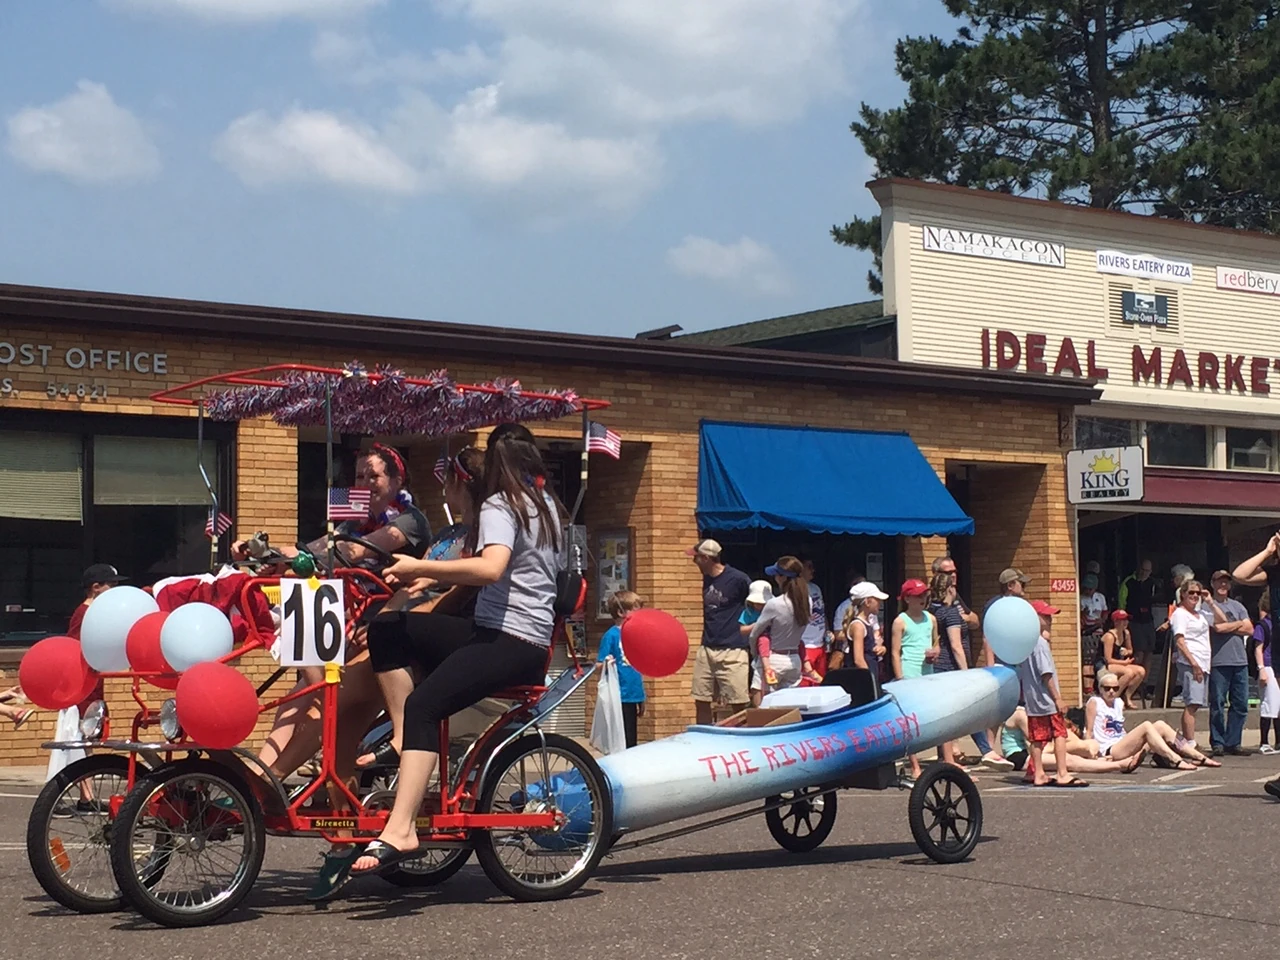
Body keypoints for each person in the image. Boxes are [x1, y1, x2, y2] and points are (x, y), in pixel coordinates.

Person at [351, 422, 569, 877]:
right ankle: (399, 736)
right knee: (389, 629)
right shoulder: (545, 504)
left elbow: (491, 569)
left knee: (424, 706)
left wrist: (419, 566)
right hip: (498, 633)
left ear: (495, 462)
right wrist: (435, 576)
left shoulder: (501, 504)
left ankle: (402, 828)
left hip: (513, 641)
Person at [232, 442, 430, 573]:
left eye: (374, 476)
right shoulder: (358, 520)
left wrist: (298, 559)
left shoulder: (411, 520)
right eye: (360, 477)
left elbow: (353, 551)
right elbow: (318, 546)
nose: (365, 484)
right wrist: (263, 553)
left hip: (395, 604)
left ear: (397, 481)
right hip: (354, 599)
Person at [1018, 600, 1086, 787]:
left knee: (1037, 738)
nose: (1050, 619)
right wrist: (1058, 698)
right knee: (1060, 734)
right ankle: (1062, 773)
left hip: (1033, 700)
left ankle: (1038, 773)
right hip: (1047, 700)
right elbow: (1046, 673)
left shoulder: (1025, 643)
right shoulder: (1040, 643)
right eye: (1045, 616)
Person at [1086, 671, 1209, 770]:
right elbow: (1089, 731)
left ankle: (1197, 755)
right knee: (1146, 726)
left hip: (1122, 743)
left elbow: (1118, 728)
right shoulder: (1095, 702)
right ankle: (1175, 759)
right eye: (1107, 688)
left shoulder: (1119, 703)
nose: (1111, 691)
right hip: (1110, 749)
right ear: (1100, 689)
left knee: (1160, 725)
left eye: (1115, 688)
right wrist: (1092, 756)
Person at [687, 539, 751, 725]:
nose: (694, 562)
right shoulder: (707, 578)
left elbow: (757, 603)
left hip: (733, 649)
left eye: (696, 558)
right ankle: (703, 739)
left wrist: (752, 629)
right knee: (701, 698)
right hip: (707, 648)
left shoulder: (738, 579)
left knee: (737, 701)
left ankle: (741, 739)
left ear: (706, 558)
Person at [1170, 579, 1231, 753]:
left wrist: (1210, 602)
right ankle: (1189, 742)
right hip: (1192, 662)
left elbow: (1222, 620)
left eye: (1198, 593)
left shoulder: (1200, 613)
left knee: (1197, 703)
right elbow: (1180, 641)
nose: (1195, 596)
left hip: (1204, 663)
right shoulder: (1180, 614)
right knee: (1193, 702)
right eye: (1191, 593)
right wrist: (1194, 664)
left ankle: (1188, 741)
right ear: (1182, 594)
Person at [891, 578, 940, 783]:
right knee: (910, 719)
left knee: (934, 714)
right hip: (909, 669)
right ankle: (914, 763)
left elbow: (936, 641)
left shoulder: (931, 618)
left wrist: (936, 651)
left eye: (924, 595)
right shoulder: (900, 621)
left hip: (928, 670)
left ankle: (943, 759)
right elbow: (895, 652)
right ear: (907, 598)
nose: (922, 599)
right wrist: (900, 677)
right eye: (918, 595)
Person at [1205, 569, 1254, 757]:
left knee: (1240, 703)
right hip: (1219, 661)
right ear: (1213, 584)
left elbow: (1249, 629)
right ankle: (1218, 742)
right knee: (1217, 703)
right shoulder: (1207, 606)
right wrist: (1237, 625)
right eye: (1219, 582)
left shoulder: (1238, 606)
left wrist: (1229, 627)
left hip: (1240, 661)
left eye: (1226, 582)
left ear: (1230, 585)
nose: (1222, 585)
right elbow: (1216, 627)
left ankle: (1233, 742)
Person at [748, 557, 810, 697]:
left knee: (764, 709)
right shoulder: (807, 602)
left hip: (773, 658)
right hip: (794, 659)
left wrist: (756, 654)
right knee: (789, 707)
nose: (775, 577)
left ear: (782, 577)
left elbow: (755, 634)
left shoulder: (775, 604)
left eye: (777, 574)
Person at [597, 591, 646, 749]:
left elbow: (639, 666)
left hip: (633, 694)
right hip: (619, 695)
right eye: (635, 610)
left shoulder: (636, 635)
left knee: (632, 739)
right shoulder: (611, 635)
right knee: (620, 740)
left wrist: (642, 697)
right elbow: (599, 664)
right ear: (621, 612)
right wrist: (606, 663)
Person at [843, 580, 888, 695]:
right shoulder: (858, 626)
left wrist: (881, 648)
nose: (880, 603)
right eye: (877, 600)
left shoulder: (868, 623)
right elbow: (858, 659)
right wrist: (870, 682)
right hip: (862, 681)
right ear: (868, 602)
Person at [1118, 559, 1159, 684]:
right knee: (1138, 653)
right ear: (1138, 569)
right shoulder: (1128, 582)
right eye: (1143, 570)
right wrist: (1123, 623)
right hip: (1134, 621)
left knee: (1149, 653)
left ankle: (1144, 684)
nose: (1145, 573)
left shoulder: (1152, 583)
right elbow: (1121, 603)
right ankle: (1133, 683)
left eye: (1148, 570)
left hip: (1148, 621)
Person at [1094, 610, 1145, 709]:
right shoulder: (1110, 636)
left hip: (1119, 663)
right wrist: (1124, 662)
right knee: (1128, 673)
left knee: (1140, 671)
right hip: (1104, 665)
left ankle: (1127, 696)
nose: (1126, 622)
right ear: (1116, 621)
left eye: (1126, 620)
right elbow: (1108, 659)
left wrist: (1127, 652)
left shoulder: (1126, 633)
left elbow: (1130, 650)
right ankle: (1113, 699)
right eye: (1123, 620)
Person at [740, 580, 773, 706]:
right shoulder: (748, 612)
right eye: (757, 603)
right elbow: (742, 630)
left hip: (773, 647)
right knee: (757, 684)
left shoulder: (773, 609)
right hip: (757, 650)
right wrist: (755, 626)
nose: (759, 606)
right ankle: (759, 710)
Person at [797, 557, 830, 686]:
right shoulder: (797, 590)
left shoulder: (816, 588)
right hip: (805, 643)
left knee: (820, 682)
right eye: (809, 567)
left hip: (820, 642)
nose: (813, 570)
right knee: (806, 682)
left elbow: (822, 611)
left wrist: (827, 630)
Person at [1255, 591, 1278, 755]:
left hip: (1277, 666)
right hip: (1268, 666)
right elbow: (1258, 648)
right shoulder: (1263, 625)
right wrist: (1261, 668)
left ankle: (1278, 741)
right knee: (1269, 703)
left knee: (1278, 705)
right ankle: (1264, 741)